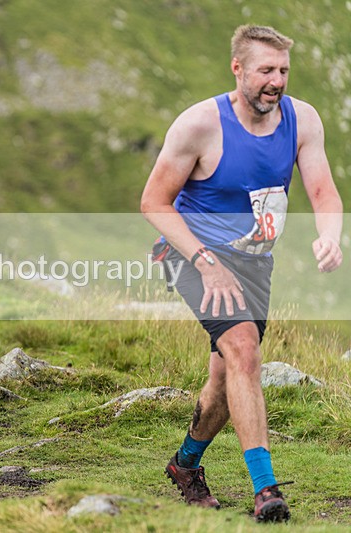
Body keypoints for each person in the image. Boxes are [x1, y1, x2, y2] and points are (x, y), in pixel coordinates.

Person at [141, 25, 343, 522]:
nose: (276, 82)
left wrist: (330, 234)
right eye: (265, 71)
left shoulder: (303, 120)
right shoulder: (199, 125)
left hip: (255, 262)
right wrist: (206, 263)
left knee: (225, 382)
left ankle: (184, 464)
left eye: (283, 71)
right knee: (244, 352)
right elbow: (154, 201)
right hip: (193, 254)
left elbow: (322, 190)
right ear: (238, 69)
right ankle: (266, 489)